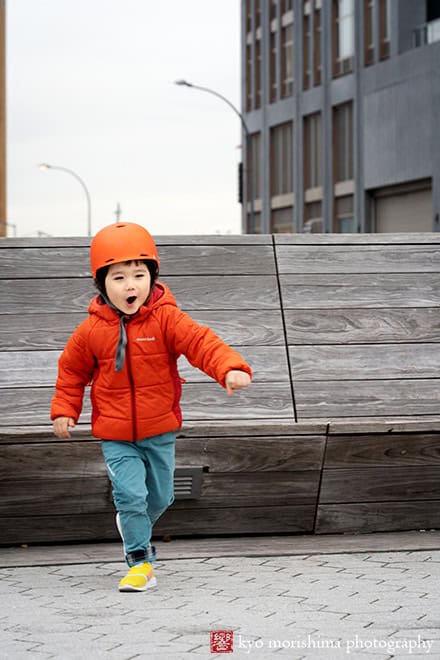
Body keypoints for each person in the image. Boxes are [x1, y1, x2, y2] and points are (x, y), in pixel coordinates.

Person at [51, 222, 252, 593]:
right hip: (115, 435)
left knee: (160, 497)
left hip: (159, 430)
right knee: (131, 495)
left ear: (152, 277)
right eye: (119, 277)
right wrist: (65, 408)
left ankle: (132, 522)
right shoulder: (90, 331)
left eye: (139, 275)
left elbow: (201, 343)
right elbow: (71, 371)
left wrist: (230, 367)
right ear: (102, 284)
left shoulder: (166, 319)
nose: (131, 285)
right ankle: (139, 561)